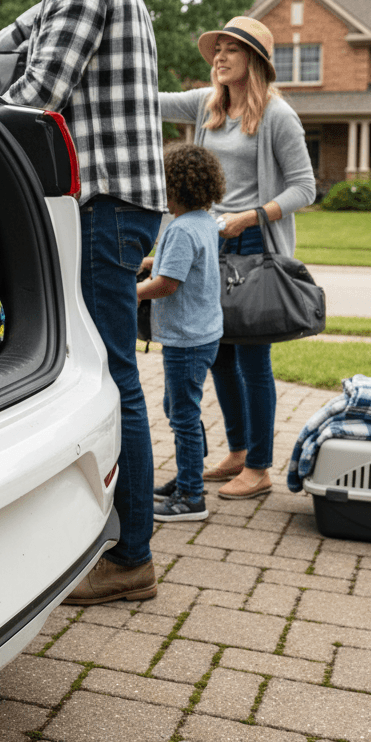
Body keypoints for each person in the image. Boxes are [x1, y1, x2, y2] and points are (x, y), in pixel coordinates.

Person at [0, 0, 167, 603]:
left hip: (110, 206)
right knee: (111, 365)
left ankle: (131, 556)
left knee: (114, 373)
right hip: (126, 203)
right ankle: (121, 534)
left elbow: (37, 93)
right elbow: (10, 42)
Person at [159, 16, 316, 499]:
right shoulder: (207, 105)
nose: (220, 57)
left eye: (232, 49)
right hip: (212, 242)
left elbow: (304, 188)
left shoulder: (277, 115)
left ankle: (262, 467)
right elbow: (148, 100)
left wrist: (252, 217)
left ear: (255, 60)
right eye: (217, 49)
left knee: (252, 359)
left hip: (253, 244)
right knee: (220, 355)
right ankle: (240, 452)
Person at [137, 144, 226, 521]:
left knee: (182, 415)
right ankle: (190, 474)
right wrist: (146, 262)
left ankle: (191, 496)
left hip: (185, 339)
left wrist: (132, 292)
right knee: (177, 408)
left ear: (175, 188)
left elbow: (168, 284)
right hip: (205, 334)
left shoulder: (180, 229)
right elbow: (175, 263)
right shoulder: (204, 221)